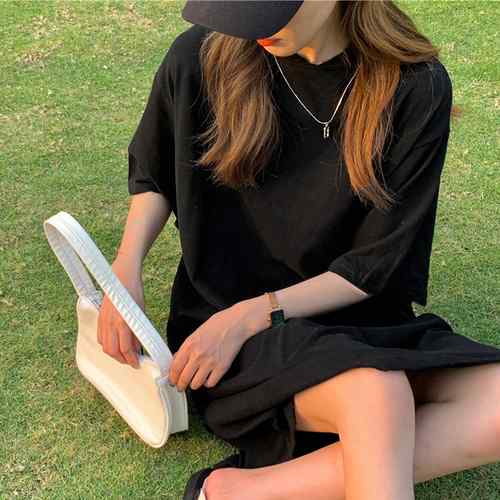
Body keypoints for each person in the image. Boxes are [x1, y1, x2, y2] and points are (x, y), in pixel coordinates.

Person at [98, 1, 500, 499]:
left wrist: (255, 314)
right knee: (377, 391)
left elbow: (375, 265)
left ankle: (240, 492)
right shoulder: (201, 54)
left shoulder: (416, 85)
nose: (251, 25)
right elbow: (156, 170)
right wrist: (125, 268)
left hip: (354, 313)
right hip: (227, 330)